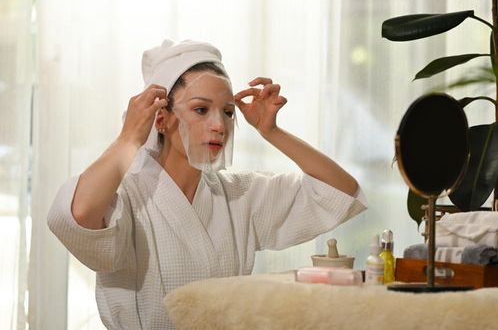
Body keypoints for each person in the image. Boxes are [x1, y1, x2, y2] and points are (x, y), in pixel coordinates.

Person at [47, 39, 367, 330]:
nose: (219, 126)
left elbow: (341, 192)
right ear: (162, 118)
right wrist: (130, 136)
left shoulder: (239, 196)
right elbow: (81, 215)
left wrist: (272, 132)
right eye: (201, 110)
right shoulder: (127, 195)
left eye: (228, 113)